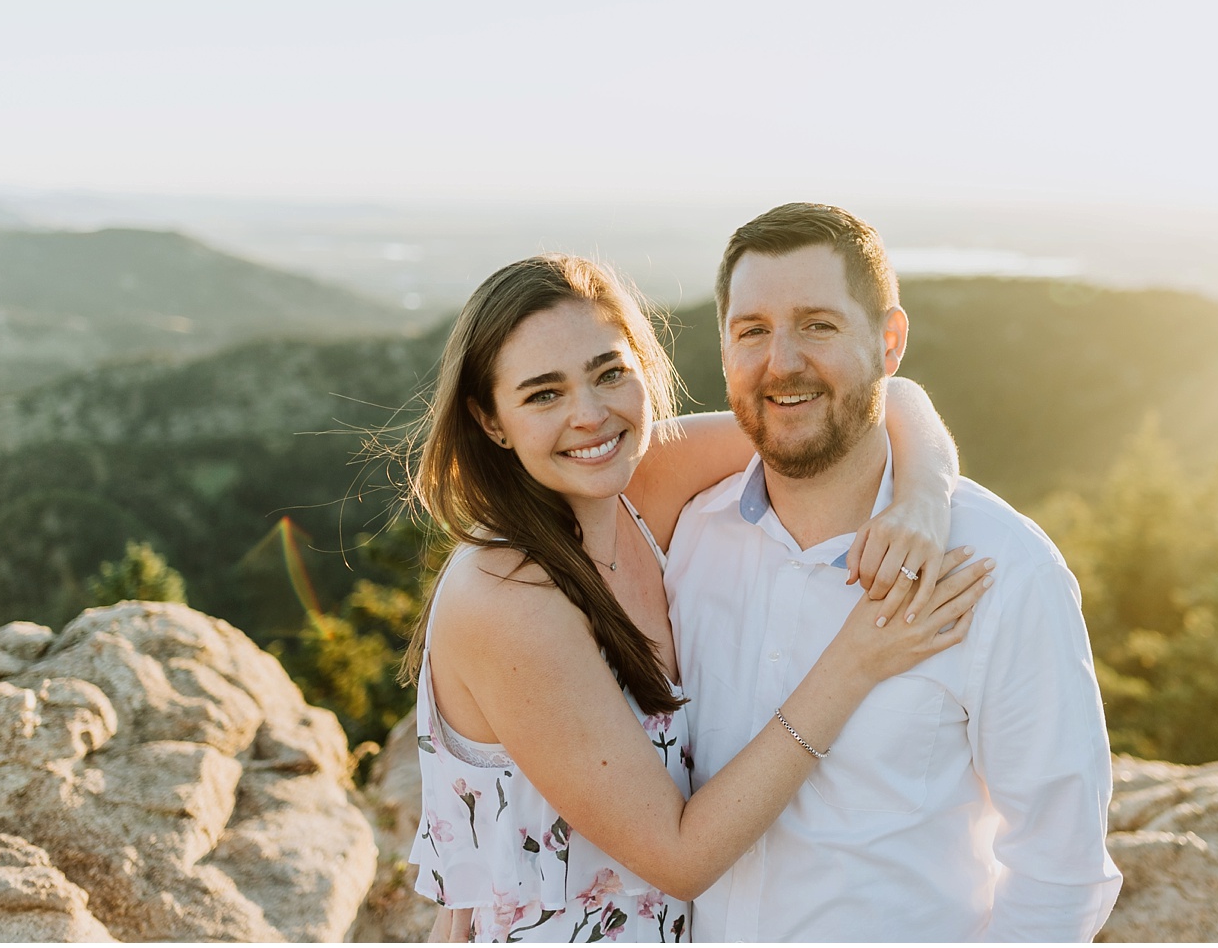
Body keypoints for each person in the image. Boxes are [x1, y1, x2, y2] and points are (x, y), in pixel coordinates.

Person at [402, 253, 993, 942]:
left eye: (609, 373)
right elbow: (681, 857)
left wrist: (922, 499)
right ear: (491, 420)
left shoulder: (636, 484)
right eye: (543, 394)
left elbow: (882, 401)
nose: (590, 416)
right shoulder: (506, 594)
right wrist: (856, 660)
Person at [666, 203, 1123, 942]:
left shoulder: (1002, 567)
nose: (781, 361)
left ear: (889, 340)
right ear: (724, 349)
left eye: (818, 324)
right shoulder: (689, 540)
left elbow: (1060, 867)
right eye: (752, 330)